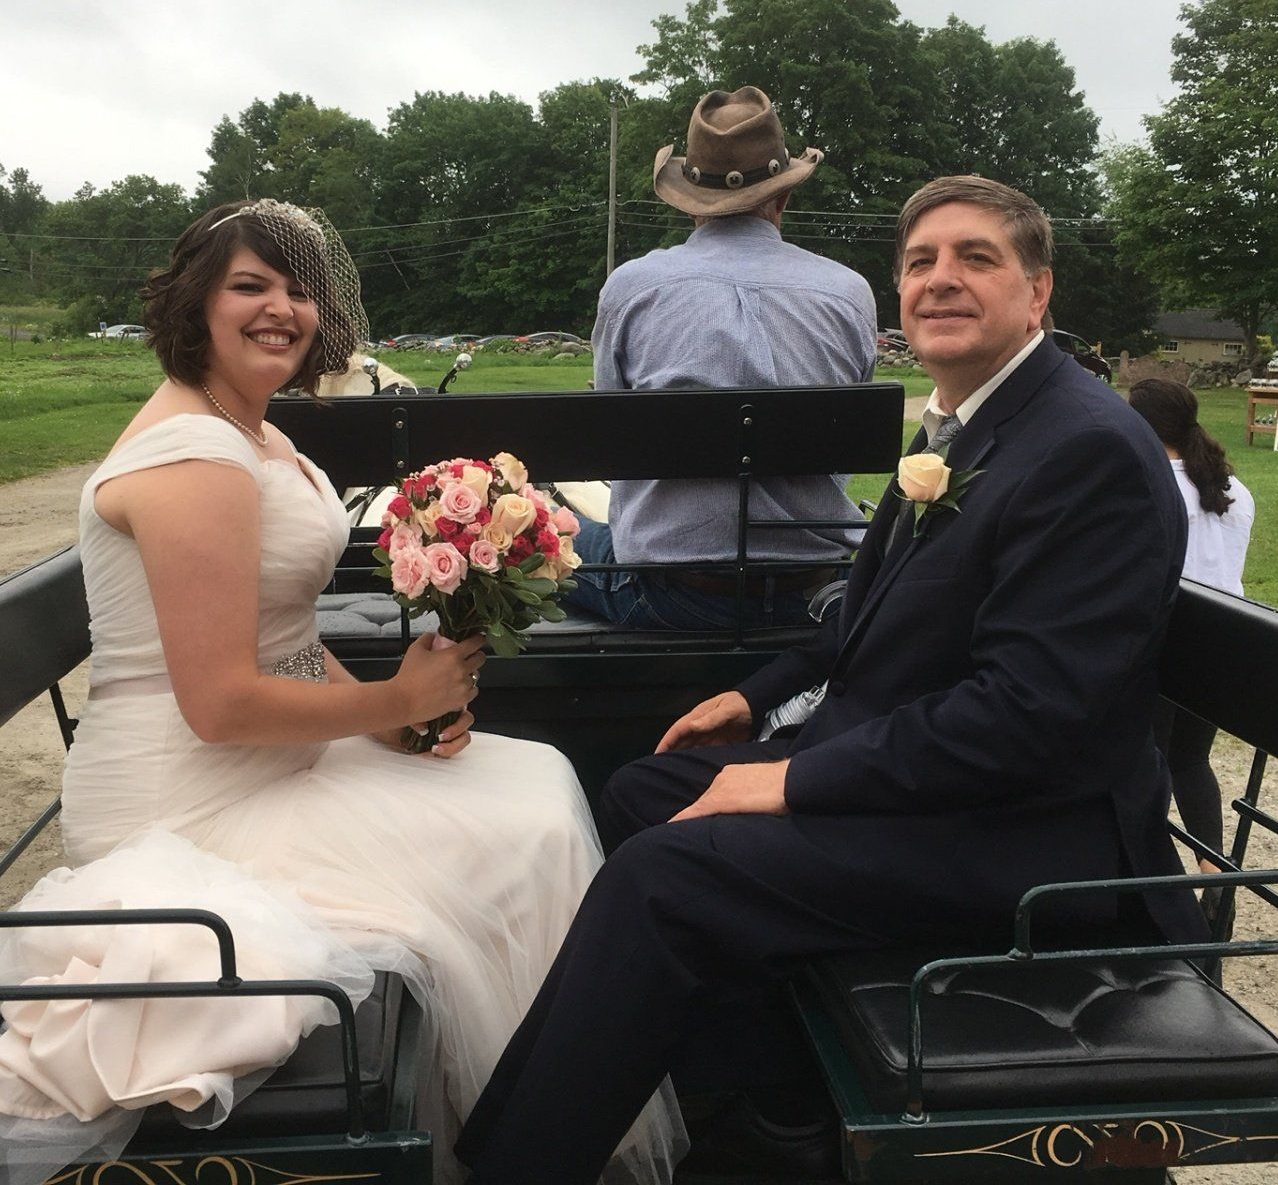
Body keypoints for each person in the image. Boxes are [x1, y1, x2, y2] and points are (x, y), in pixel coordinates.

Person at [456, 176, 1207, 1185]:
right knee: (643, 792)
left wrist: (791, 779)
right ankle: (769, 1107)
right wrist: (758, 698)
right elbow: (868, 610)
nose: (940, 279)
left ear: (1039, 295)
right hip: (939, 793)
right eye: (920, 262)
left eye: (975, 258)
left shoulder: (1086, 450)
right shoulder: (966, 421)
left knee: (663, 880)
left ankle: (515, 1167)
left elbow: (1030, 719)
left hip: (1030, 838)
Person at [0, 201, 684, 1185]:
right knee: (529, 836)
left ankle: (525, 1128)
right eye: (250, 285)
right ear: (194, 305)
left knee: (540, 785)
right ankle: (521, 1147)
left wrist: (397, 721)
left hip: (271, 765)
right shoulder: (195, 459)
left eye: (300, 289)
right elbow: (219, 703)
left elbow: (286, 645)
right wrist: (389, 704)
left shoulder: (253, 436)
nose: (282, 309)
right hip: (193, 802)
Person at [570, 86, 877, 630]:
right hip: (813, 591)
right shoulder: (850, 293)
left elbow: (611, 436)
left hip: (670, 596)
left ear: (688, 200)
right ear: (782, 197)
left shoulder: (631, 288)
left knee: (564, 529)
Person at [1128, 376, 1256, 931]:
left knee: (1146, 764)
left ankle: (1150, 889)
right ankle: (1214, 875)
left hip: (1166, 645)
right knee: (1192, 762)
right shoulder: (1234, 489)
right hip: (1223, 645)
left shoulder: (1150, 487)